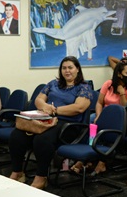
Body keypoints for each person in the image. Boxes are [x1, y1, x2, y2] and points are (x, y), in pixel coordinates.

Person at [8, 56, 92, 189]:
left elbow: (79, 107)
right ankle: (18, 172)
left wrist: (55, 110)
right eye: (64, 68)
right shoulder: (53, 83)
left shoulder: (84, 87)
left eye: (70, 67)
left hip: (68, 125)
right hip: (47, 119)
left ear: (77, 70)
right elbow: (38, 99)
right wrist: (44, 106)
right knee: (17, 135)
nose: (67, 71)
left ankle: (41, 177)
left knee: (42, 140)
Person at [90, 60, 127, 176]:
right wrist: (99, 116)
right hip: (104, 114)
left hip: (120, 119)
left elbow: (125, 108)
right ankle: (90, 152)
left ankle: (102, 162)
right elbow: (99, 103)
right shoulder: (108, 84)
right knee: (92, 120)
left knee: (112, 127)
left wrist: (122, 93)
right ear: (119, 74)